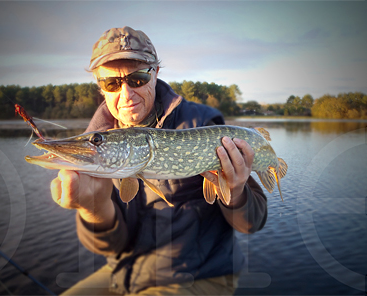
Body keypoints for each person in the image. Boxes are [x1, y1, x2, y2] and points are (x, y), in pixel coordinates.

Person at [50, 26, 267, 295]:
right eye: (112, 83)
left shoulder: (202, 124)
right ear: (100, 86)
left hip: (201, 275)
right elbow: (112, 247)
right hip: (124, 271)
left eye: (138, 78)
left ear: (155, 73)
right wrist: (93, 207)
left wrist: (235, 192)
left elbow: (252, 223)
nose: (126, 94)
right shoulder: (102, 144)